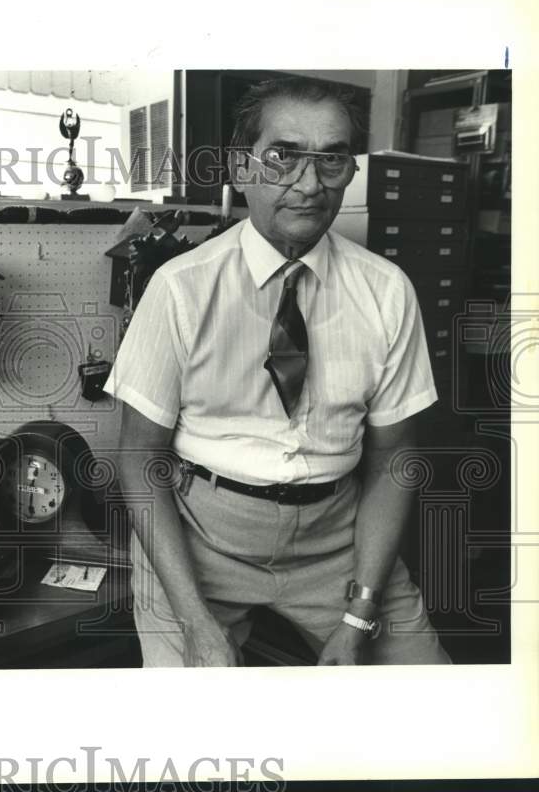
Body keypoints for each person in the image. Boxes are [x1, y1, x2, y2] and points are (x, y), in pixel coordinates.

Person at [104, 76, 449, 667]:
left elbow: (394, 458)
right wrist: (194, 620)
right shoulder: (181, 288)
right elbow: (139, 458)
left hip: (338, 537)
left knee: (436, 713)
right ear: (242, 168)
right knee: (193, 739)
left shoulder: (387, 292)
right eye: (283, 157)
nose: (310, 185)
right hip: (201, 539)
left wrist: (359, 612)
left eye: (332, 160)